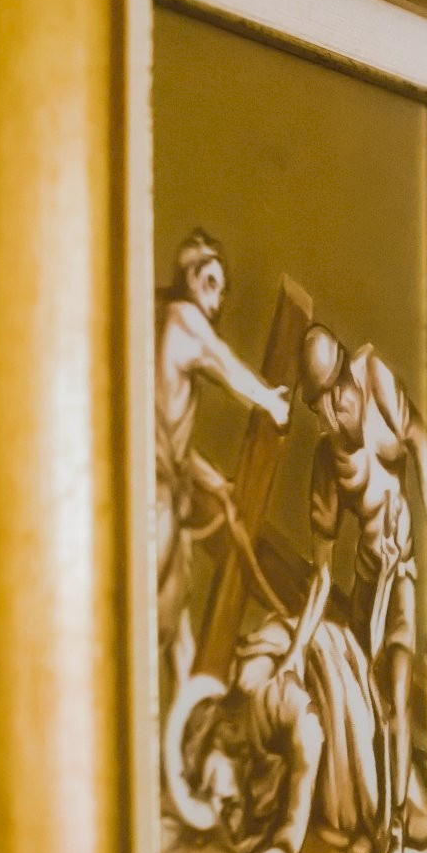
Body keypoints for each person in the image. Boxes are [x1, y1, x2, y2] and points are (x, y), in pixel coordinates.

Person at [164, 564, 427, 853]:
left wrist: (286, 845)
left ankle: (409, 787)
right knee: (337, 819)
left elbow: (309, 734)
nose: (215, 799)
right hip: (301, 673)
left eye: (207, 784)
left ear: (214, 739)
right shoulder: (240, 754)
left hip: (329, 673)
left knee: (393, 817)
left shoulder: (261, 694)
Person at [297, 322, 427, 853]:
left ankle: (395, 827)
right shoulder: (325, 463)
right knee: (368, 709)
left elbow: (421, 442)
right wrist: (296, 649)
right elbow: (322, 572)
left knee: (398, 694)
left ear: (350, 372)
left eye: (339, 392)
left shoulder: (377, 381)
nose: (336, 411)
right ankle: (380, 817)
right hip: (365, 584)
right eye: (322, 405)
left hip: (403, 575)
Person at [154, 230, 290, 680]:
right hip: (155, 502)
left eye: (221, 289)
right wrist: (271, 403)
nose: (217, 300)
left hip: (166, 495)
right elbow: (227, 367)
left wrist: (212, 480)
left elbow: (170, 442)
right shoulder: (183, 318)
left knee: (177, 620)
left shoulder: (159, 322)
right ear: (191, 279)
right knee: (156, 617)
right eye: (210, 283)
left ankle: (194, 715)